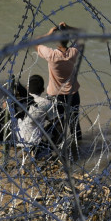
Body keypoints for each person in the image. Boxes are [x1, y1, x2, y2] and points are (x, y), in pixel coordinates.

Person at [34, 22, 83, 161]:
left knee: (57, 126)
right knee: (74, 124)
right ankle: (78, 151)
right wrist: (69, 27)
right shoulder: (73, 52)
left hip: (56, 96)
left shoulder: (51, 55)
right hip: (73, 95)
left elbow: (34, 42)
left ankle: (58, 153)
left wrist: (49, 33)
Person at [15, 75, 57, 159]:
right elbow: (54, 120)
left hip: (17, 137)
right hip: (33, 140)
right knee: (57, 125)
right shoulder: (45, 103)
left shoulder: (20, 99)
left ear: (27, 87)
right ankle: (49, 151)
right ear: (43, 90)